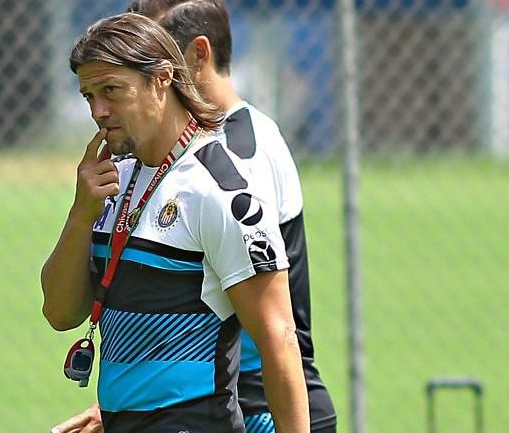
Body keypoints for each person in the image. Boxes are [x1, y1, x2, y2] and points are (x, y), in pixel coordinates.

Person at [51, 1, 337, 433]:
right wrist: (79, 214)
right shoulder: (115, 178)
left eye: (112, 90)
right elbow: (59, 312)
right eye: (89, 96)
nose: (98, 111)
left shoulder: (221, 189)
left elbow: (279, 339)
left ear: (162, 79)